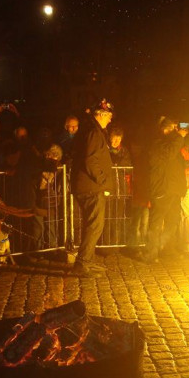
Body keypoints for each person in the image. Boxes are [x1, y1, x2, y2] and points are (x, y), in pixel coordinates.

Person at [70, 99, 115, 277]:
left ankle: (86, 260)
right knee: (95, 225)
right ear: (101, 115)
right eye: (109, 116)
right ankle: (82, 263)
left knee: (92, 225)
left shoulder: (91, 130)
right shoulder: (94, 133)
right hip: (91, 187)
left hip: (87, 185)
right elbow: (91, 161)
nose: (110, 120)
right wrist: (103, 181)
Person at [140, 116, 187, 263]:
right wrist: (179, 137)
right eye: (173, 128)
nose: (176, 131)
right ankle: (150, 253)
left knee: (173, 220)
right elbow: (169, 153)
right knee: (156, 222)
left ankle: (167, 249)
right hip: (162, 189)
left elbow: (177, 164)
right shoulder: (157, 144)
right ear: (165, 130)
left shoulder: (172, 144)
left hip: (173, 189)